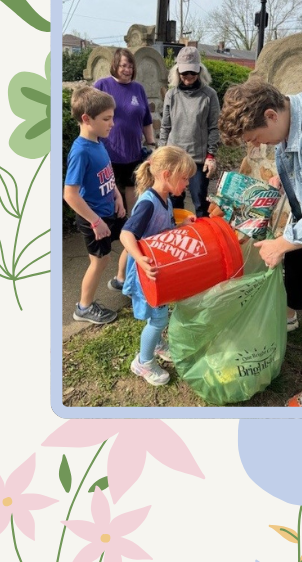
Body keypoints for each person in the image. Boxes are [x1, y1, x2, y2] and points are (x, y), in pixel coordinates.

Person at [218, 79, 302, 408]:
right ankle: (290, 317)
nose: (258, 147)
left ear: (271, 115)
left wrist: (280, 244)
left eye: (257, 139)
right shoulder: (293, 117)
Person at [119, 147, 197, 386]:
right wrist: (141, 259)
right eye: (184, 178)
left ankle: (158, 344)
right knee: (158, 320)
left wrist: (181, 226)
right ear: (166, 174)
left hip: (157, 271)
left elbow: (162, 233)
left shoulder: (165, 199)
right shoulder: (148, 204)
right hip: (147, 273)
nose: (186, 184)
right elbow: (126, 235)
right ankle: (143, 362)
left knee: (159, 315)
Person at [94, 48, 155, 293]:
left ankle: (129, 230)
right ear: (114, 66)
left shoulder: (138, 89)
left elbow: (146, 120)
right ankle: (103, 234)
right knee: (108, 193)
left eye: (130, 65)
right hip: (107, 153)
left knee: (131, 190)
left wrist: (151, 145)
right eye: (123, 65)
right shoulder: (103, 85)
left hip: (133, 153)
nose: (127, 69)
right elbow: (90, 116)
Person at [63, 86, 126, 325]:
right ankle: (84, 307)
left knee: (132, 236)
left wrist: (118, 197)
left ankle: (122, 281)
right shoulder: (80, 152)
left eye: (112, 117)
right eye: (106, 119)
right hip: (94, 218)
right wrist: (96, 222)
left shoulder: (98, 142)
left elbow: (107, 176)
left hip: (110, 209)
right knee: (100, 261)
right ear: (86, 119)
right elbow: (70, 194)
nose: (112, 123)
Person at [159, 46, 220, 218]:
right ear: (177, 72)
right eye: (184, 73)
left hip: (198, 159)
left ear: (200, 71)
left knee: (200, 201)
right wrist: (160, 153)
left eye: (192, 73)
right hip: (174, 157)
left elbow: (214, 127)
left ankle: (204, 237)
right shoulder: (171, 95)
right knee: (174, 201)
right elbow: (165, 127)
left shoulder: (209, 95)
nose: (188, 77)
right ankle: (176, 235)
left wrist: (211, 155)